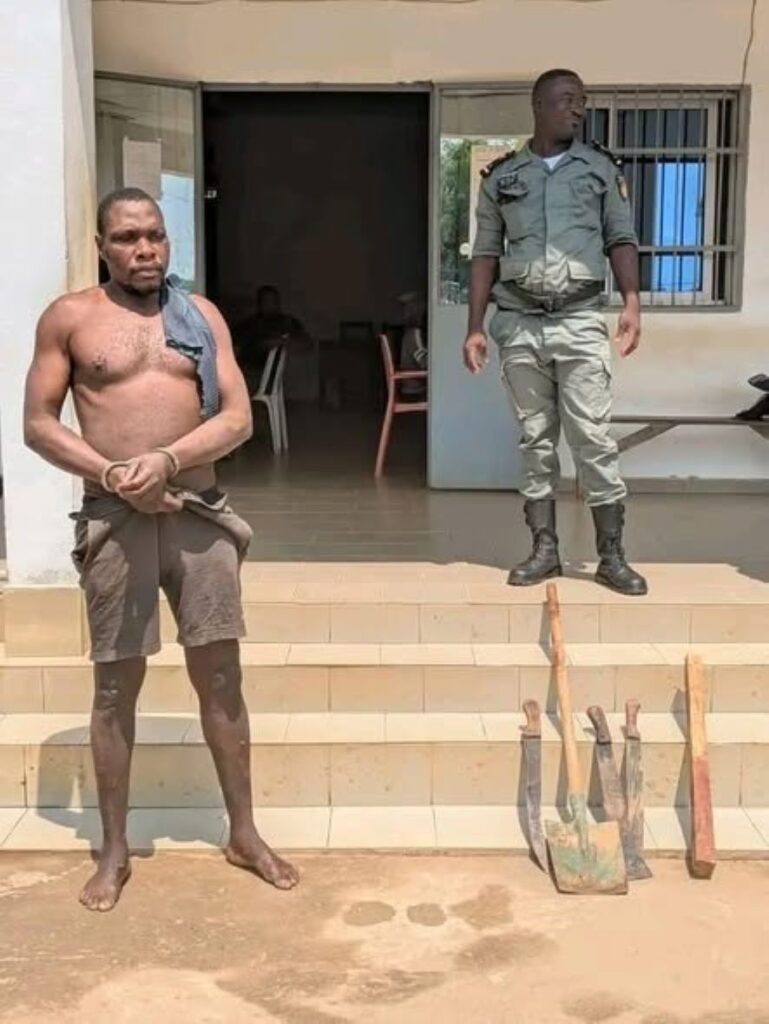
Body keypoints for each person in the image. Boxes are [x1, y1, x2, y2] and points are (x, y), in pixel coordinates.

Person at [23, 186, 300, 912]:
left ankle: (243, 832)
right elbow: (38, 424)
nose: (144, 249)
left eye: (154, 235)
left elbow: (238, 417)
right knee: (116, 686)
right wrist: (116, 474)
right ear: (101, 247)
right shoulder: (70, 319)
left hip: (197, 513)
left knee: (222, 676)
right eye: (126, 237)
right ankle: (114, 847)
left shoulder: (200, 316)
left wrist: (168, 461)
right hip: (116, 516)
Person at [463, 68, 647, 596]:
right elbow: (485, 254)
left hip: (579, 319)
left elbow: (621, 238)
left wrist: (632, 301)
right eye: (567, 100)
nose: (578, 109)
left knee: (593, 437)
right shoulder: (501, 177)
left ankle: (611, 556)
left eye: (582, 101)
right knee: (535, 439)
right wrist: (475, 327)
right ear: (539, 105)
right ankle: (544, 551)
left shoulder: (600, 170)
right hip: (519, 323)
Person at [234, 285, 309, 394]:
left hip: (273, 375)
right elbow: (236, 347)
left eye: (273, 301)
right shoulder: (250, 324)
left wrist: (282, 342)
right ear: (259, 304)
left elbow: (306, 343)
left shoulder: (288, 323)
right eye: (266, 301)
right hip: (249, 371)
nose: (270, 304)